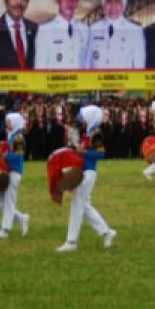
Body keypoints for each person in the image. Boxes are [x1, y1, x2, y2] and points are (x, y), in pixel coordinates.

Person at [57, 105, 116, 252]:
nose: (81, 120)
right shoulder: (89, 131)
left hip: (88, 172)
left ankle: (71, 241)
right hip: (85, 171)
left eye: (84, 117)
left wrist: (83, 151)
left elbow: (100, 153)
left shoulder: (95, 133)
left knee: (77, 206)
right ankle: (106, 232)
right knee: (84, 206)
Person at [0, 112, 30, 241]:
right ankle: (22, 218)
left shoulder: (18, 137)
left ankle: (5, 230)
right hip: (6, 171)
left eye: (9, 122)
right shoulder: (11, 136)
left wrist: (4, 156)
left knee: (9, 201)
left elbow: (17, 156)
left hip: (14, 172)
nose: (7, 124)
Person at [34, 0, 90, 69]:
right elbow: (40, 69)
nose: (70, 1)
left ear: (78, 1)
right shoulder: (45, 30)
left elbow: (88, 67)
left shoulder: (84, 29)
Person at [87, 0, 147, 69]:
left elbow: (139, 67)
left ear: (124, 4)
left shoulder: (135, 31)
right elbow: (87, 64)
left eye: (117, 1)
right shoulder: (93, 29)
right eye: (109, 1)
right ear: (103, 4)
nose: (113, 6)